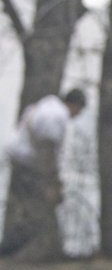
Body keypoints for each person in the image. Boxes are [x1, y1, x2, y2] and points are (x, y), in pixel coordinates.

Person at [0, 88, 87, 260]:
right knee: (36, 213)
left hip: (21, 164)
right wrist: (53, 183)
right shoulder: (56, 116)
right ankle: (7, 251)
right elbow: (47, 151)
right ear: (74, 105)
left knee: (27, 211)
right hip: (31, 168)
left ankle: (15, 251)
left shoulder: (46, 105)